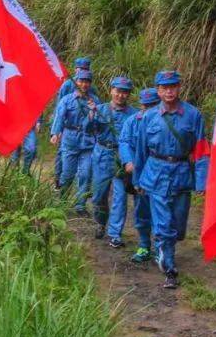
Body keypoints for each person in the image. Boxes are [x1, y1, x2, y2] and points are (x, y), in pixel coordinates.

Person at [131, 69, 209, 289]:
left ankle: (165, 247)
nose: (169, 91)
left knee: (178, 227)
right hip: (156, 173)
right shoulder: (148, 117)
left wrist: (202, 181)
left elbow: (202, 150)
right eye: (164, 88)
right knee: (165, 225)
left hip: (182, 174)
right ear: (158, 90)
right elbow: (141, 151)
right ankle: (169, 267)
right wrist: (138, 180)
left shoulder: (193, 115)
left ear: (179, 88)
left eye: (173, 87)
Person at [91, 76, 138, 246]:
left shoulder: (134, 114)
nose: (121, 95)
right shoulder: (100, 109)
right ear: (111, 90)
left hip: (121, 157)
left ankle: (115, 234)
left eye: (125, 92)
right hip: (101, 155)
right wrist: (91, 117)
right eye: (118, 91)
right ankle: (100, 222)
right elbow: (89, 130)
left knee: (120, 196)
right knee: (98, 196)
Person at [50, 68, 100, 215]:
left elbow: (100, 121)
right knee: (68, 173)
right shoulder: (67, 100)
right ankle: (63, 201)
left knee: (85, 174)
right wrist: (55, 133)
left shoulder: (95, 100)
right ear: (76, 82)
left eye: (87, 82)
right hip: (70, 139)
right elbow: (59, 117)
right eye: (81, 81)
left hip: (88, 140)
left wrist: (94, 111)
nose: (84, 84)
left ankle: (80, 205)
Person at [121, 87, 160, 264]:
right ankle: (144, 245)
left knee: (162, 211)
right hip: (141, 170)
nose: (148, 109)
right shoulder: (133, 121)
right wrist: (128, 161)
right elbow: (124, 142)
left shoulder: (166, 121)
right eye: (146, 105)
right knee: (142, 210)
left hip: (162, 172)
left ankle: (161, 248)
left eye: (153, 105)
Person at [54, 57, 94, 185]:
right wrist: (56, 130)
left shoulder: (93, 92)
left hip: (86, 135)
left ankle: (80, 200)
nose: (82, 71)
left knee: (85, 171)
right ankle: (58, 179)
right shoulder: (67, 85)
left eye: (85, 69)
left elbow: (98, 108)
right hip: (69, 130)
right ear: (75, 69)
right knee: (63, 156)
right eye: (80, 69)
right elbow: (60, 107)